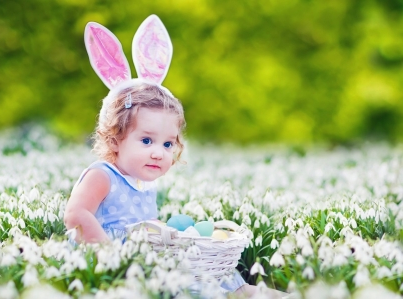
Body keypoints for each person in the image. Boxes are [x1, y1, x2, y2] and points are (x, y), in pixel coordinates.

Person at [64, 15, 286, 299]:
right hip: (115, 265)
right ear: (115, 138)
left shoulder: (143, 181)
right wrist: (109, 255)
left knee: (207, 272)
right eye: (146, 140)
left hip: (145, 258)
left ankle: (244, 290)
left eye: (168, 144)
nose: (159, 152)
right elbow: (75, 215)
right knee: (182, 285)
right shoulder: (102, 175)